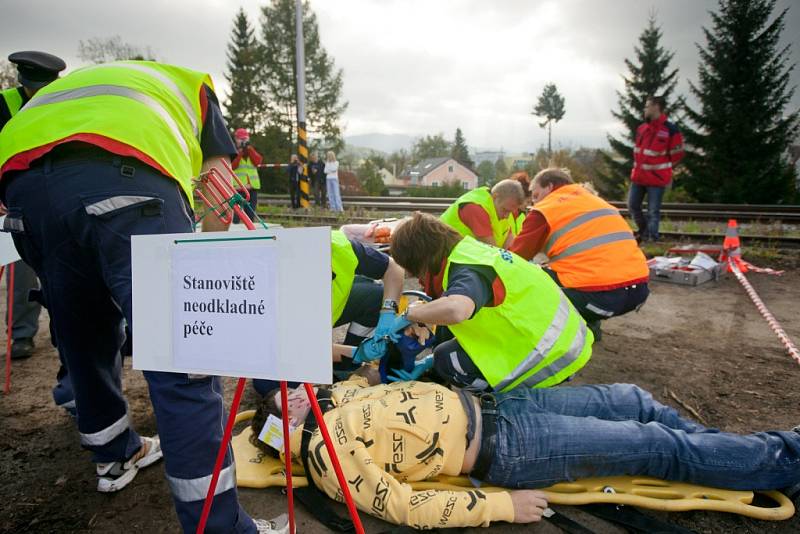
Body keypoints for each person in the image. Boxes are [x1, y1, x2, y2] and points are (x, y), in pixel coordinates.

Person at [0, 60, 283, 533]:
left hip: (24, 185)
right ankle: (220, 527)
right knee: (182, 357)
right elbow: (219, 187)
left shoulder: (88, 88)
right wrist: (204, 274)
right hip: (128, 176)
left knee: (81, 332)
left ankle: (115, 457)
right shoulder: (197, 88)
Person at [250, 377, 800, 529]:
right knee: (653, 448)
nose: (299, 390)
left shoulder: (334, 397)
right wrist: (500, 507)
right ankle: (785, 459)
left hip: (498, 404)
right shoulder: (327, 460)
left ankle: (724, 453)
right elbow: (401, 507)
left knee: (629, 398)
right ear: (282, 421)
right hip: (507, 447)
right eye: (286, 394)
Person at [383, 212, 592, 392]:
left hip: (550, 357)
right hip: (562, 340)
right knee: (445, 336)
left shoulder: (467, 271)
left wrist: (409, 314)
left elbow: (456, 310)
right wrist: (428, 364)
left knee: (447, 359)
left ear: (423, 259)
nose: (419, 280)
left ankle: (497, 408)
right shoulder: (470, 252)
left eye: (416, 271)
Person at [252, 229, 405, 394]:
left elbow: (394, 268)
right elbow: (301, 348)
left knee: (376, 296)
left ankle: (344, 367)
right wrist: (355, 353)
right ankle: (346, 359)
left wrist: (388, 314)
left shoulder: (337, 247)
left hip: (324, 312)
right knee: (271, 386)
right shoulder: (272, 293)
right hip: (285, 341)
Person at [509, 168, 650, 339]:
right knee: (561, 271)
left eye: (536, 195)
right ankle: (589, 325)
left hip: (602, 298)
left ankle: (552, 338)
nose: (534, 201)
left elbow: (514, 259)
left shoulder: (545, 209)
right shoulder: (599, 202)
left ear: (549, 187)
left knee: (526, 279)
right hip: (638, 290)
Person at [0, 51, 66, 360]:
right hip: (12, 200)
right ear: (22, 82)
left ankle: (66, 331)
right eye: (33, 90)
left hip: (56, 195)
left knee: (67, 268)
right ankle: (22, 335)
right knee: (21, 269)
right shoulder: (4, 104)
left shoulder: (66, 102)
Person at [629, 95, 684, 242]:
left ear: (656, 107)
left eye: (647, 106)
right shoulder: (642, 129)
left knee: (653, 211)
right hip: (639, 177)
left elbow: (677, 155)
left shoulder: (671, 130)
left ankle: (651, 238)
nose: (645, 109)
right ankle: (644, 231)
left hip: (657, 178)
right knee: (633, 206)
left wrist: (663, 169)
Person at [439, 179, 526, 248]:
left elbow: (511, 248)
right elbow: (491, 251)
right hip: (442, 259)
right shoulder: (475, 207)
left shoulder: (504, 207)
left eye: (510, 212)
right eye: (505, 210)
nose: (507, 216)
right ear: (495, 197)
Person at [231, 128, 263, 223]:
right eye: (240, 139)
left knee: (250, 215)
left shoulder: (250, 150)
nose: (243, 141)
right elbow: (233, 166)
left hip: (252, 189)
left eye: (245, 139)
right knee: (236, 216)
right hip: (238, 189)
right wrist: (240, 152)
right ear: (235, 139)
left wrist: (249, 150)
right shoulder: (232, 151)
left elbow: (258, 161)